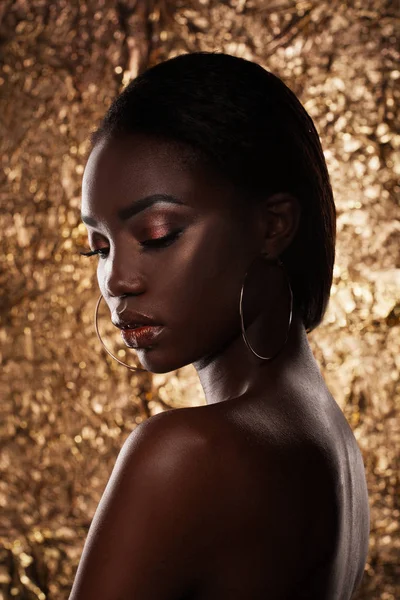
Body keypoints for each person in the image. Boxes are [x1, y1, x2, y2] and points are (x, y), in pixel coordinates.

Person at [69, 51, 370, 599]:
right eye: (99, 248)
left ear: (273, 225)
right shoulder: (334, 446)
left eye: (157, 234)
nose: (116, 280)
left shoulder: (188, 453)